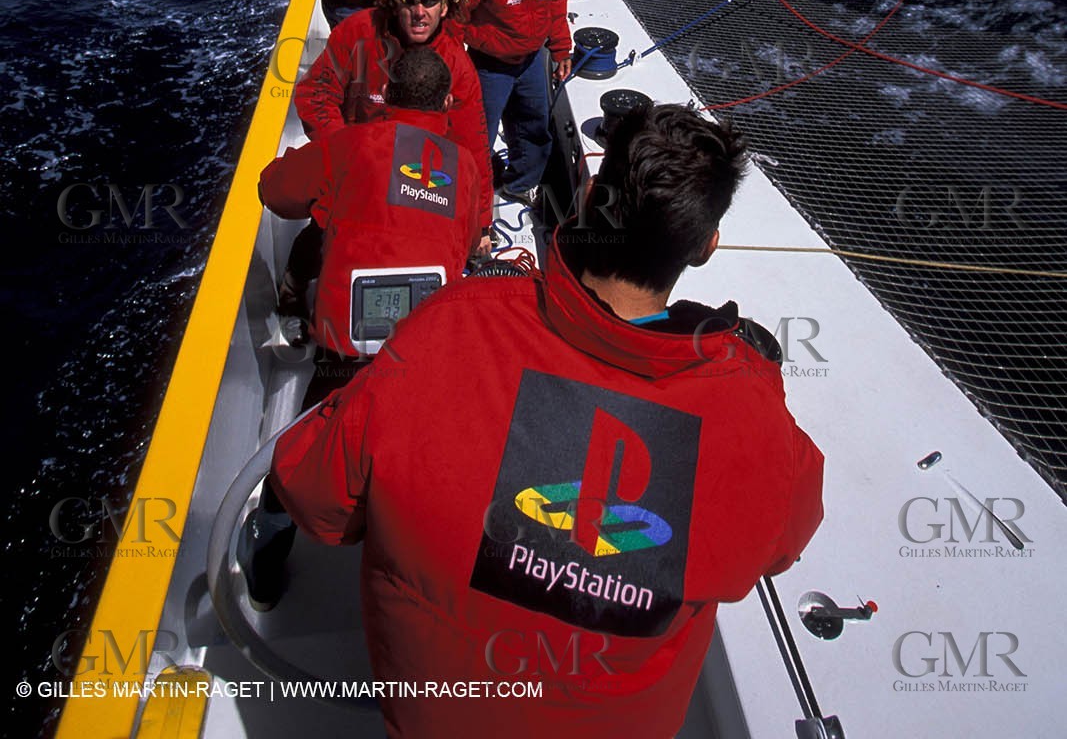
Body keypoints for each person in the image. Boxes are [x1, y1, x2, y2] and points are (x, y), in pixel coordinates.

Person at [267, 104, 824, 738]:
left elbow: (316, 502)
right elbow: (785, 540)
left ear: (587, 197)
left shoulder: (447, 327)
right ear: (704, 247)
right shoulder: (750, 413)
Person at [239, 47, 487, 611]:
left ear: (386, 96)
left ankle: (267, 559)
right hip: (425, 353)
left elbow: (275, 192)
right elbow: (470, 237)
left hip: (346, 348)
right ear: (447, 103)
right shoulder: (466, 167)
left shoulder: (351, 145)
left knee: (302, 452)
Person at [294, 0, 492, 223]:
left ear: (444, 7)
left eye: (430, 1)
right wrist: (345, 153)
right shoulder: (358, 32)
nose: (419, 12)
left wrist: (481, 222)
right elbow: (316, 93)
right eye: (410, 1)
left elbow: (472, 144)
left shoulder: (457, 66)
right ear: (395, 3)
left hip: (417, 183)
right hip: (354, 171)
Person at [465, 0, 571, 205]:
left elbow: (555, 3)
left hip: (531, 60)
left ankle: (521, 182)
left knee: (534, 123)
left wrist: (561, 49)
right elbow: (457, 14)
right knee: (478, 132)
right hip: (489, 64)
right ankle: (473, 195)